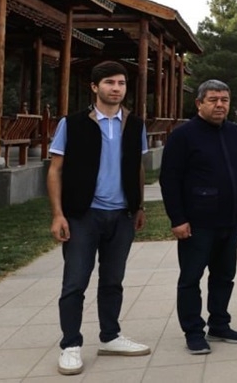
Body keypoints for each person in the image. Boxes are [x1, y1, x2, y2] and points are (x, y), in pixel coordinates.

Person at [47, 61, 150, 375]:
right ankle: (70, 345)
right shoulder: (73, 123)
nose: (116, 88)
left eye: (121, 83)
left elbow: (138, 168)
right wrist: (58, 214)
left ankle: (111, 336)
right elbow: (55, 170)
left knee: (113, 281)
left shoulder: (135, 124)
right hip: (82, 215)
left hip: (121, 216)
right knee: (75, 282)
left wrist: (140, 205)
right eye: (109, 82)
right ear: (95, 87)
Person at [160, 79, 237, 355]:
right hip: (197, 223)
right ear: (199, 103)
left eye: (224, 99)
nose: (220, 104)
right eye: (213, 100)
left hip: (230, 219)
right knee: (191, 278)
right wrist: (177, 219)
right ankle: (193, 331)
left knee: (224, 275)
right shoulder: (183, 135)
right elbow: (169, 179)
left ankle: (220, 324)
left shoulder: (235, 133)